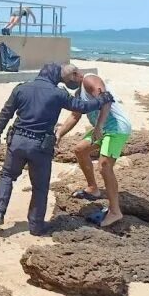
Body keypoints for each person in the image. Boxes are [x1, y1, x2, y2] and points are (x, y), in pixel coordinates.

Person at [0, 63, 112, 235]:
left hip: (17, 141)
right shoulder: (58, 94)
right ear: (54, 76)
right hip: (40, 146)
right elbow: (82, 107)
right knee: (40, 187)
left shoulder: (21, 89)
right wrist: (103, 99)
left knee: (7, 176)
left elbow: (6, 113)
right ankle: (36, 225)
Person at [56, 72, 133, 226]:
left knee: (105, 166)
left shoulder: (89, 79)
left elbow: (106, 99)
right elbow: (74, 116)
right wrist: (59, 134)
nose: (66, 83)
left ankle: (115, 212)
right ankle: (93, 188)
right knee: (80, 150)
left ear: (76, 74)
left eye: (67, 79)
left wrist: (99, 125)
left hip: (116, 128)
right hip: (103, 129)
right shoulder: (79, 93)